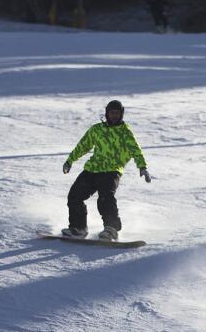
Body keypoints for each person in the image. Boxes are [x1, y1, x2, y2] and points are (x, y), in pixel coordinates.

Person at [61, 100, 149, 241]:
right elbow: (83, 146)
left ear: (121, 114)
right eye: (111, 113)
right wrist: (70, 160)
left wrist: (142, 167)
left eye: (117, 113)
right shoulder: (97, 129)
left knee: (105, 198)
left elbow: (135, 150)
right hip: (92, 169)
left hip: (112, 170)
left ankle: (111, 229)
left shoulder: (125, 132)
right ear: (107, 113)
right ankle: (78, 228)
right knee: (74, 196)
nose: (114, 116)